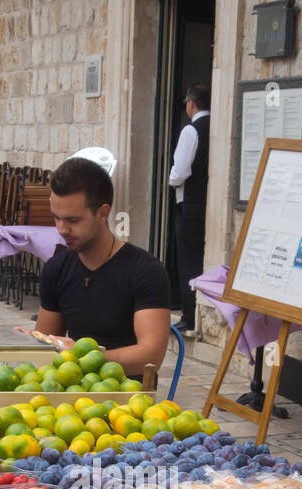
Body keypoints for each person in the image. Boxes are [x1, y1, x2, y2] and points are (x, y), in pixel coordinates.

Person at [36, 157, 171, 378]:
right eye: (56, 218)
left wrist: (83, 358)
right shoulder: (56, 268)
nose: (61, 229)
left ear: (103, 212)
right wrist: (30, 341)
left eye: (73, 220)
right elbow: (45, 344)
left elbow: (151, 357)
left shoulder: (146, 271)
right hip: (71, 390)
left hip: (128, 397)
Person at [168, 83, 210, 339]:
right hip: (207, 204)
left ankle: (188, 316)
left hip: (190, 205)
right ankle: (196, 313)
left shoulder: (191, 130)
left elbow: (181, 170)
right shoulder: (216, 127)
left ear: (191, 103)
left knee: (188, 261)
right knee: (200, 261)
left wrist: (171, 180)